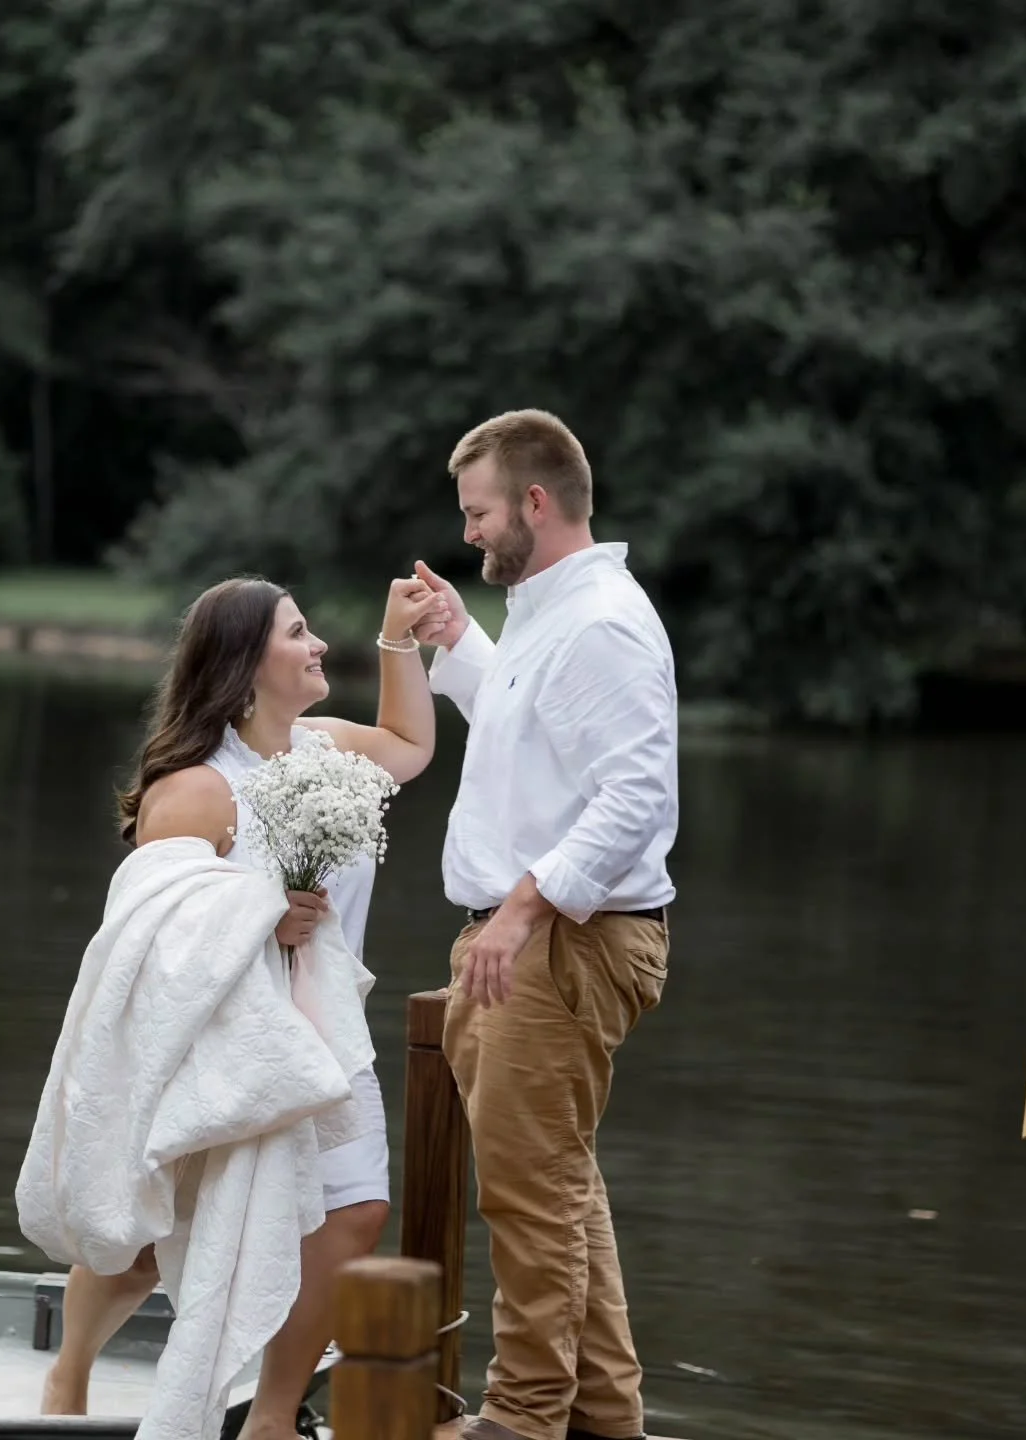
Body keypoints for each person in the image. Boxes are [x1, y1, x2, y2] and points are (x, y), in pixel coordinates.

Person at [40, 572, 448, 1440]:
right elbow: (159, 933)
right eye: (298, 632)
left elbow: (412, 745)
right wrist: (269, 912)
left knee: (355, 1213)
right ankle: (65, 1381)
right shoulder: (195, 790)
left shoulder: (327, 748)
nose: (316, 646)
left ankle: (266, 1418)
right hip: (227, 1039)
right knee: (152, 1238)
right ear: (245, 662)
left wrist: (399, 641)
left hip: (326, 1032)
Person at [412, 410, 679, 1440]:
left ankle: (520, 1421)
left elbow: (635, 798)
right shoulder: (549, 611)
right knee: (556, 1185)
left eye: (478, 513)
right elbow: (538, 741)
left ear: (533, 502)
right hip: (541, 937)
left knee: (531, 1200)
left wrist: (518, 914)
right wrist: (458, 643)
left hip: (563, 941)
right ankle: (607, 1421)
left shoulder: (601, 620)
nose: (470, 534)